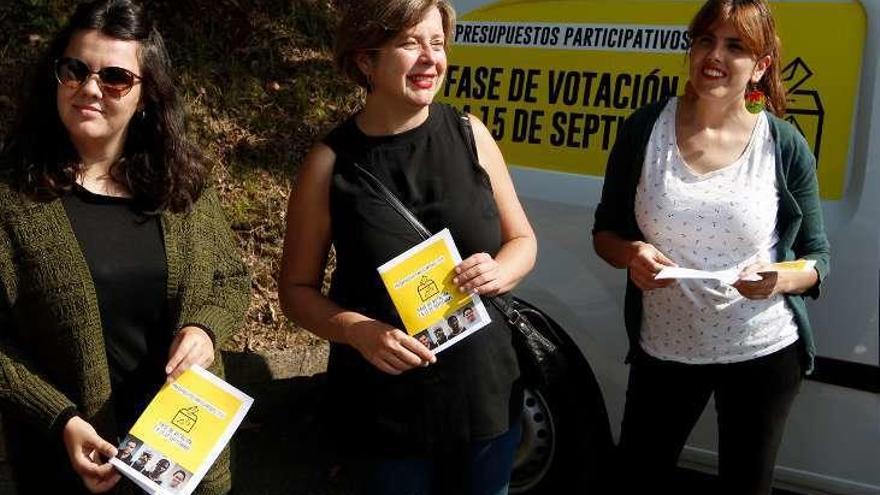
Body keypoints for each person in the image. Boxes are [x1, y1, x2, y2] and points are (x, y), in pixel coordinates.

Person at [278, 1, 537, 493]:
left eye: (437, 43)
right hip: (384, 411)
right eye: (410, 43)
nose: (430, 59)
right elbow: (295, 289)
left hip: (485, 397)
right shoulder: (329, 163)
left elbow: (522, 241)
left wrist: (502, 271)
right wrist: (357, 330)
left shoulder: (471, 134)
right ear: (365, 60)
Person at [0, 1, 249, 493]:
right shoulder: (11, 198)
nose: (90, 88)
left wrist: (205, 329)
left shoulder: (183, 187)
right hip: (68, 466)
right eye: (75, 69)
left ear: (146, 96)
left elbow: (231, 279)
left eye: (115, 77)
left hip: (181, 464)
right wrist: (61, 420)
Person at [592, 1, 830, 493]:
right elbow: (606, 232)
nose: (714, 55)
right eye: (705, 40)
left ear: (761, 65)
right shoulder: (644, 130)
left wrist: (779, 278)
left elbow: (818, 258)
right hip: (665, 352)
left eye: (735, 45)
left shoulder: (783, 145)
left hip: (761, 353)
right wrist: (631, 255)